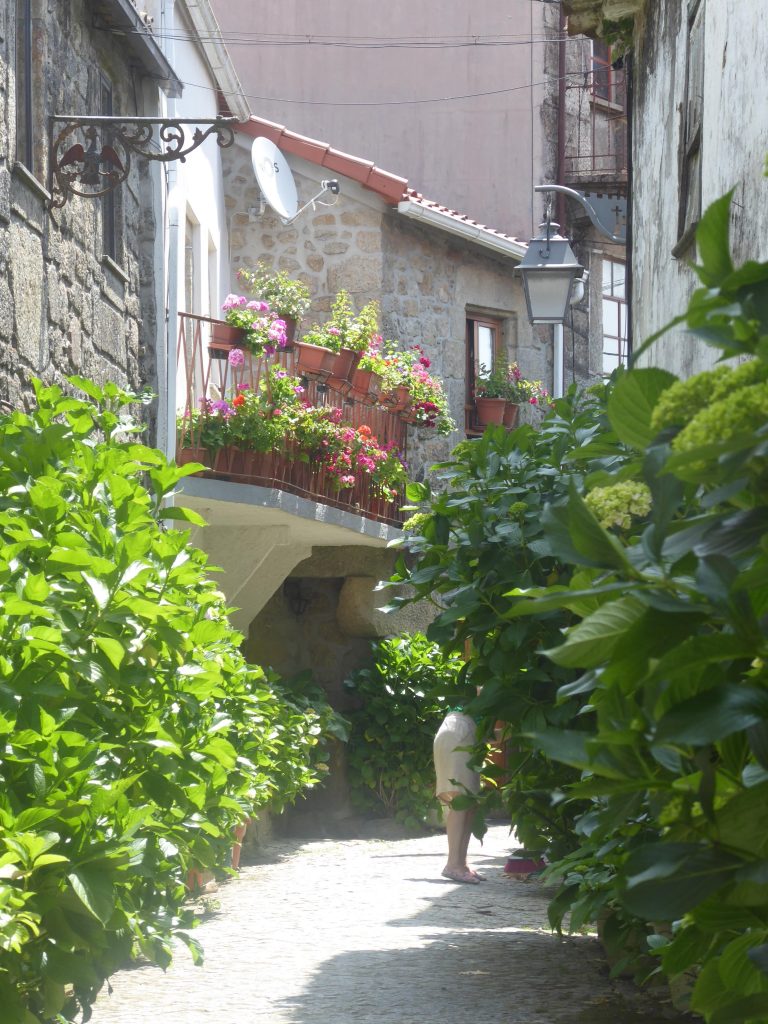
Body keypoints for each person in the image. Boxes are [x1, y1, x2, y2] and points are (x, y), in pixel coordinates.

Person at [433, 707, 485, 884]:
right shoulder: (486, 691)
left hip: (465, 733)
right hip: (459, 732)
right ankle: (453, 865)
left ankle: (461, 864)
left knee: (470, 802)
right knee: (461, 800)